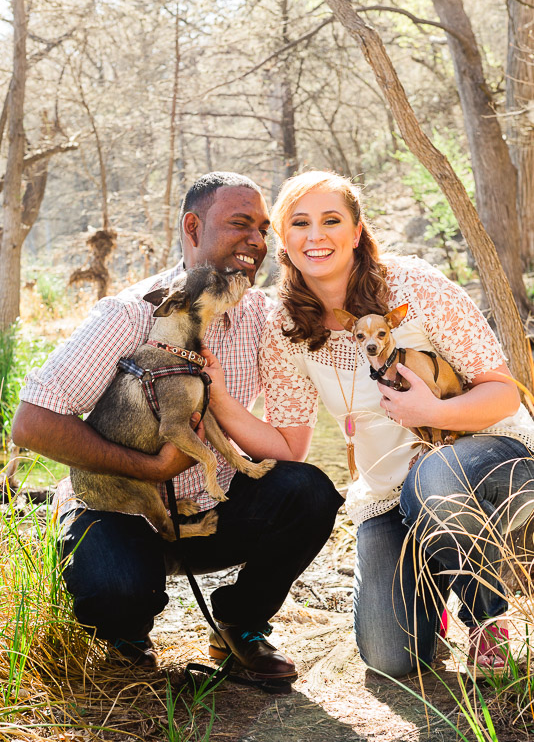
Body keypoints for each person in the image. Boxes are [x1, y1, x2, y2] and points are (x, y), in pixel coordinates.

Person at [12, 171, 343, 679]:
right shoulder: (128, 314)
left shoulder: (264, 318)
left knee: (310, 492)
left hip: (210, 508)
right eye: (239, 224)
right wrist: (151, 468)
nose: (256, 240)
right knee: (115, 585)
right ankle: (126, 631)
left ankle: (239, 625)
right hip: (121, 506)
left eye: (262, 228)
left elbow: (290, 443)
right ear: (192, 228)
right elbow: (31, 423)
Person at [203, 169, 534, 679]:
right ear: (283, 241)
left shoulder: (413, 285)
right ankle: (437, 570)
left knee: (437, 477)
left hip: (482, 456)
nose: (317, 236)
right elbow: (289, 445)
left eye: (332, 220)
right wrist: (219, 400)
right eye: (300, 223)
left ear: (356, 232)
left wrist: (435, 413)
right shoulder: (285, 326)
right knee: (389, 656)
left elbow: (502, 390)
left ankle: (486, 622)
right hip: (389, 488)